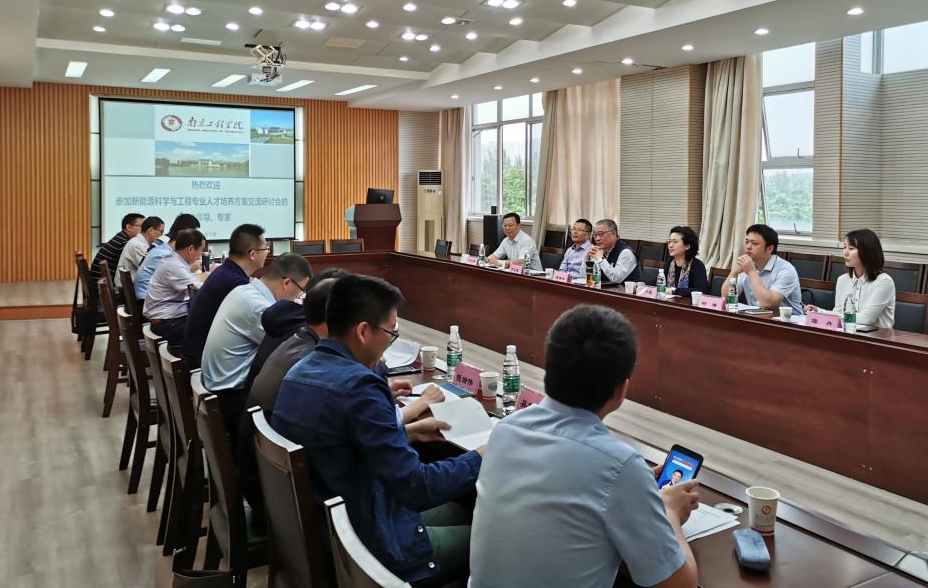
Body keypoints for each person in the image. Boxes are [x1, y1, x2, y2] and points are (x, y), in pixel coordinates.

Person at [272, 274, 482, 586]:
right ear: (363, 331)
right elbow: (416, 487)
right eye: (391, 333)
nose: (389, 342)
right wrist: (481, 456)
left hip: (331, 523)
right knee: (496, 537)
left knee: (460, 511)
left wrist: (407, 433)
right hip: (366, 547)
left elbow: (341, 446)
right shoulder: (361, 387)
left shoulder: (300, 370)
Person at [468, 304, 699, 588]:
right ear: (622, 389)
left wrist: (636, 488)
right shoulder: (620, 467)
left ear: (548, 369)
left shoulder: (506, 430)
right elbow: (681, 584)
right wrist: (669, 513)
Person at [201, 253, 312, 441]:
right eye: (301, 291)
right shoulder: (259, 307)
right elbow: (291, 347)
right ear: (286, 283)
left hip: (218, 389)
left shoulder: (244, 291)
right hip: (231, 399)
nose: (298, 297)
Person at [182, 223, 269, 369]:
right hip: (203, 361)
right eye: (265, 249)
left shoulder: (225, 271)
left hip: (199, 352)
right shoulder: (234, 283)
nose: (267, 253)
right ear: (253, 254)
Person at [805, 229, 895, 329]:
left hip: (877, 336)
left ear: (867, 252)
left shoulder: (884, 282)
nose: (845, 253)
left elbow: (866, 319)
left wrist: (834, 316)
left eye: (851, 248)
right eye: (844, 247)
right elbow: (838, 312)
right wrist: (819, 312)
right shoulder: (842, 280)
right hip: (848, 333)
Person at [142, 228, 208, 345]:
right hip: (167, 323)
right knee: (211, 331)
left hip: (166, 318)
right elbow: (199, 290)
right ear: (191, 249)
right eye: (201, 250)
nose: (200, 255)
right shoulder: (174, 267)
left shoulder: (173, 261)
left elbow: (191, 283)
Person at [722, 224, 802, 314]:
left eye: (754, 243)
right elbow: (726, 297)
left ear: (769, 249)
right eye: (747, 242)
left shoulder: (786, 270)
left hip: (789, 321)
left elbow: (768, 303)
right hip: (757, 317)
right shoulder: (747, 265)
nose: (748, 246)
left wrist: (751, 272)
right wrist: (734, 273)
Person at [135, 213, 201, 299]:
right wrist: (200, 275)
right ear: (182, 233)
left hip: (152, 296)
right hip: (145, 299)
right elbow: (189, 284)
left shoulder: (164, 248)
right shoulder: (164, 254)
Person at [90, 213, 143, 283]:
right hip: (103, 284)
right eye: (142, 226)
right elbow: (142, 265)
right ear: (129, 227)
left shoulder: (121, 237)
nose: (144, 229)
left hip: (101, 282)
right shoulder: (124, 243)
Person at [587, 219, 643, 283]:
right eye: (595, 235)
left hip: (625, 289)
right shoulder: (600, 251)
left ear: (613, 233)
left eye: (601, 234)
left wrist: (600, 259)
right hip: (602, 288)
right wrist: (586, 258)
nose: (597, 239)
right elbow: (585, 277)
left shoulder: (626, 253)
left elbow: (616, 279)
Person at [115, 216, 164, 285]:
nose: (162, 235)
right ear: (151, 230)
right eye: (161, 232)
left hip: (132, 286)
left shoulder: (140, 243)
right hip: (128, 289)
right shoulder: (137, 245)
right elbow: (151, 269)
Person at [662, 226, 708, 297]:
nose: (670, 245)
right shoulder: (670, 262)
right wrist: (644, 284)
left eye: (675, 242)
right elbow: (659, 281)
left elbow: (701, 290)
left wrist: (674, 291)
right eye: (669, 241)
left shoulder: (697, 265)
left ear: (687, 246)